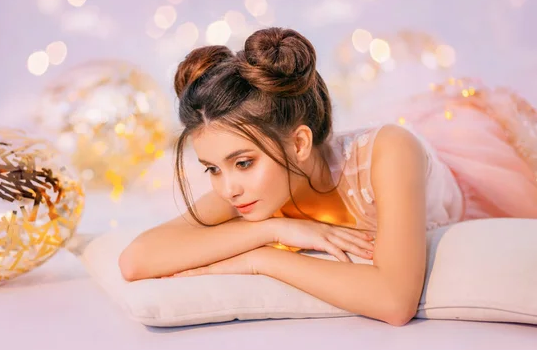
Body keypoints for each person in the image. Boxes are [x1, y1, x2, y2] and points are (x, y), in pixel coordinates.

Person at [118, 27, 537, 326]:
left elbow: (394, 301)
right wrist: (271, 230)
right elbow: (136, 261)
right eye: (212, 168)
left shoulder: (388, 153)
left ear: (299, 143)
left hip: (478, 173)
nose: (228, 188)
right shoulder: (256, 192)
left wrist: (261, 261)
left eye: (243, 162)